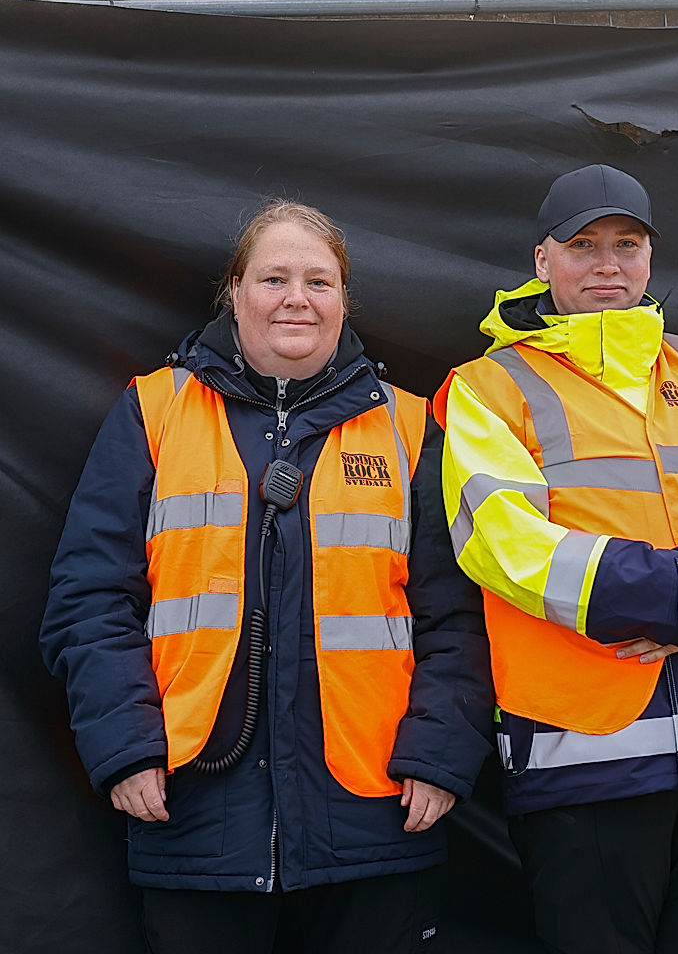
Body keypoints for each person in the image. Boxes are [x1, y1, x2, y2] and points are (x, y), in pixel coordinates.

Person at [41, 200, 493, 954]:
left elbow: (462, 616)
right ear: (235, 291)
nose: (296, 297)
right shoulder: (154, 412)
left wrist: (442, 755)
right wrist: (125, 749)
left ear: (344, 299)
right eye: (274, 276)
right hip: (192, 818)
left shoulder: (412, 428)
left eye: (319, 280)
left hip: (375, 813)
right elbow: (90, 598)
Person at [432, 164, 678, 954]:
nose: (607, 264)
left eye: (627, 244)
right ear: (543, 260)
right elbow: (500, 537)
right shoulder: (486, 387)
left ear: (649, 257)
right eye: (583, 245)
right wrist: (675, 597)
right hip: (590, 747)